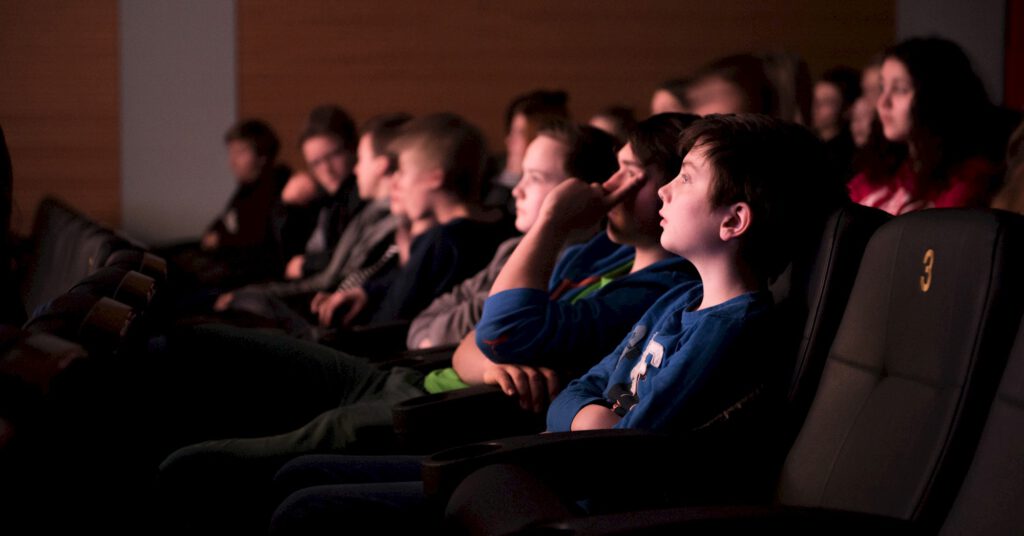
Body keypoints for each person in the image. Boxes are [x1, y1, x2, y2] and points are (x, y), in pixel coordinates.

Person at [265, 114, 835, 534]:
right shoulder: (681, 300)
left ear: (734, 219)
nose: (661, 190)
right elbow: (577, 394)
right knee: (298, 476)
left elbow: (625, 450)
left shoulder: (732, 330)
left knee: (305, 505)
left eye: (683, 177)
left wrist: (590, 419)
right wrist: (590, 416)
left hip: (571, 503)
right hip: (541, 467)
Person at [211, 114, 412, 337]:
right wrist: (287, 208)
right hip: (321, 301)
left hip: (340, 322)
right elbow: (290, 259)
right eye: (315, 163)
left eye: (333, 156)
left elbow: (334, 276)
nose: (325, 169)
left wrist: (308, 267)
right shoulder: (326, 200)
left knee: (241, 309)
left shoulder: (374, 210)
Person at [847, 37, 1004, 215]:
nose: (883, 102)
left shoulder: (967, 182)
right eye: (882, 88)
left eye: (900, 89)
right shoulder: (879, 171)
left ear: (934, 96)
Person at [813, 67, 862, 181]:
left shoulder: (848, 156)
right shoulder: (807, 143)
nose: (815, 107)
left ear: (846, 108)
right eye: (814, 100)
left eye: (826, 102)